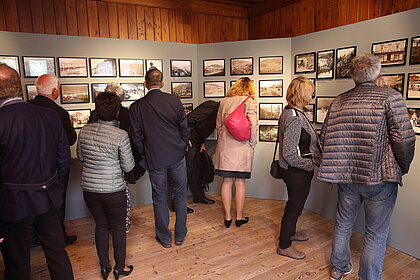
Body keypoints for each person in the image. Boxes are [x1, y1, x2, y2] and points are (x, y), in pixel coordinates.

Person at [317, 54, 415, 280]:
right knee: (375, 234)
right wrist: (402, 166)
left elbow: (324, 138)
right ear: (378, 74)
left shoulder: (339, 101)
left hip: (347, 177)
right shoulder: (391, 97)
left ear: (353, 75)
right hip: (379, 177)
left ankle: (338, 269)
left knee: (343, 223)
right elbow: (405, 140)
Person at [0, 64, 74, 279]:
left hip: (13, 205)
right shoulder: (49, 116)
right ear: (19, 87)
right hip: (47, 198)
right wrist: (54, 188)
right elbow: (64, 158)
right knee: (57, 254)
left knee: (17, 263)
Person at [77, 91, 135, 280]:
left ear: (97, 110)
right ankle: (119, 268)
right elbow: (128, 166)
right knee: (118, 228)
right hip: (113, 189)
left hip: (90, 189)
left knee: (100, 225)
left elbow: (81, 157)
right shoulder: (120, 135)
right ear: (117, 112)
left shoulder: (84, 130)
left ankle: (104, 267)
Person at [130, 69, 190, 248]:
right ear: (163, 83)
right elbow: (185, 128)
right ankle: (180, 235)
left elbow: (136, 137)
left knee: (159, 198)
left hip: (154, 158)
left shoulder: (136, 107)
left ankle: (164, 238)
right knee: (180, 196)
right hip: (177, 155)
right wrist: (182, 145)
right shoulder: (174, 100)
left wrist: (146, 152)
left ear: (145, 84)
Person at [88, 82, 146, 233]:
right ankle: (122, 224)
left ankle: (110, 224)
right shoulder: (127, 115)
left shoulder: (95, 115)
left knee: (107, 198)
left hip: (97, 166)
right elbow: (134, 140)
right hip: (120, 163)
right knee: (121, 195)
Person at [28, 74, 78, 246]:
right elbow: (70, 140)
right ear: (55, 91)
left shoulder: (26, 107)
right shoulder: (59, 113)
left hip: (30, 167)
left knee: (33, 204)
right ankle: (59, 237)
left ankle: (35, 238)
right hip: (54, 168)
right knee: (57, 204)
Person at [276, 77, 320, 260]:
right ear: (302, 94)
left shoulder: (291, 112)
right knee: (294, 207)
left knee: (294, 205)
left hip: (293, 170)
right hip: (297, 171)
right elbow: (290, 153)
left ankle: (291, 233)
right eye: (310, 91)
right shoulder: (294, 117)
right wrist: (308, 165)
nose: (312, 94)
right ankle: (284, 245)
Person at [213, 77, 258, 228]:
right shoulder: (249, 101)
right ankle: (239, 217)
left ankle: (227, 217)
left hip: (225, 148)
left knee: (226, 182)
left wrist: (224, 138)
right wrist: (252, 144)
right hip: (242, 147)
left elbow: (218, 126)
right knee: (240, 183)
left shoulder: (224, 101)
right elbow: (253, 126)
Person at [186, 100, 220, 205]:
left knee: (196, 168)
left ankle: (199, 196)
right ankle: (178, 204)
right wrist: (186, 138)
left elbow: (201, 127)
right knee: (186, 171)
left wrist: (202, 142)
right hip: (189, 140)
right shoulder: (213, 106)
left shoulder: (218, 111)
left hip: (196, 141)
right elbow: (189, 119)